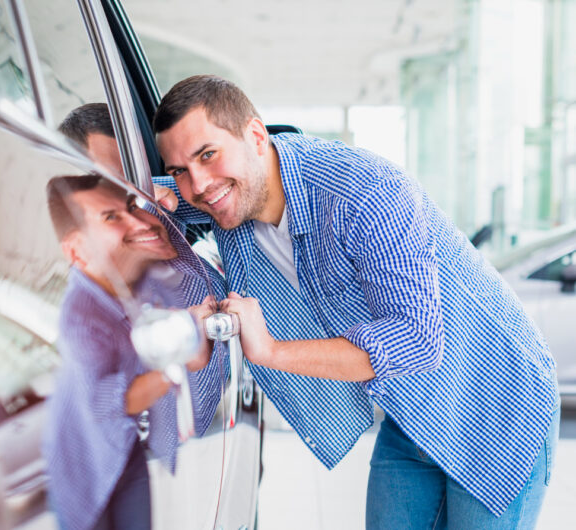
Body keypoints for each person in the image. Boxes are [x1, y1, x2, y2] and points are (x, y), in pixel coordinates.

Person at [151, 74, 560, 529]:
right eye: (180, 170)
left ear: (255, 134)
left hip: (496, 406)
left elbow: (416, 340)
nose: (199, 185)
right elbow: (148, 196)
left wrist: (271, 351)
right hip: (414, 415)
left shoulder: (364, 193)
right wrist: (146, 195)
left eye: (208, 154)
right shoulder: (222, 193)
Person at [41, 173, 218, 530]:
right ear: (76, 250)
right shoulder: (80, 316)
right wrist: (178, 357)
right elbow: (111, 401)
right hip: (85, 473)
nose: (135, 222)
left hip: (123, 450)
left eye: (129, 209)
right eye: (111, 218)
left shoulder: (123, 286)